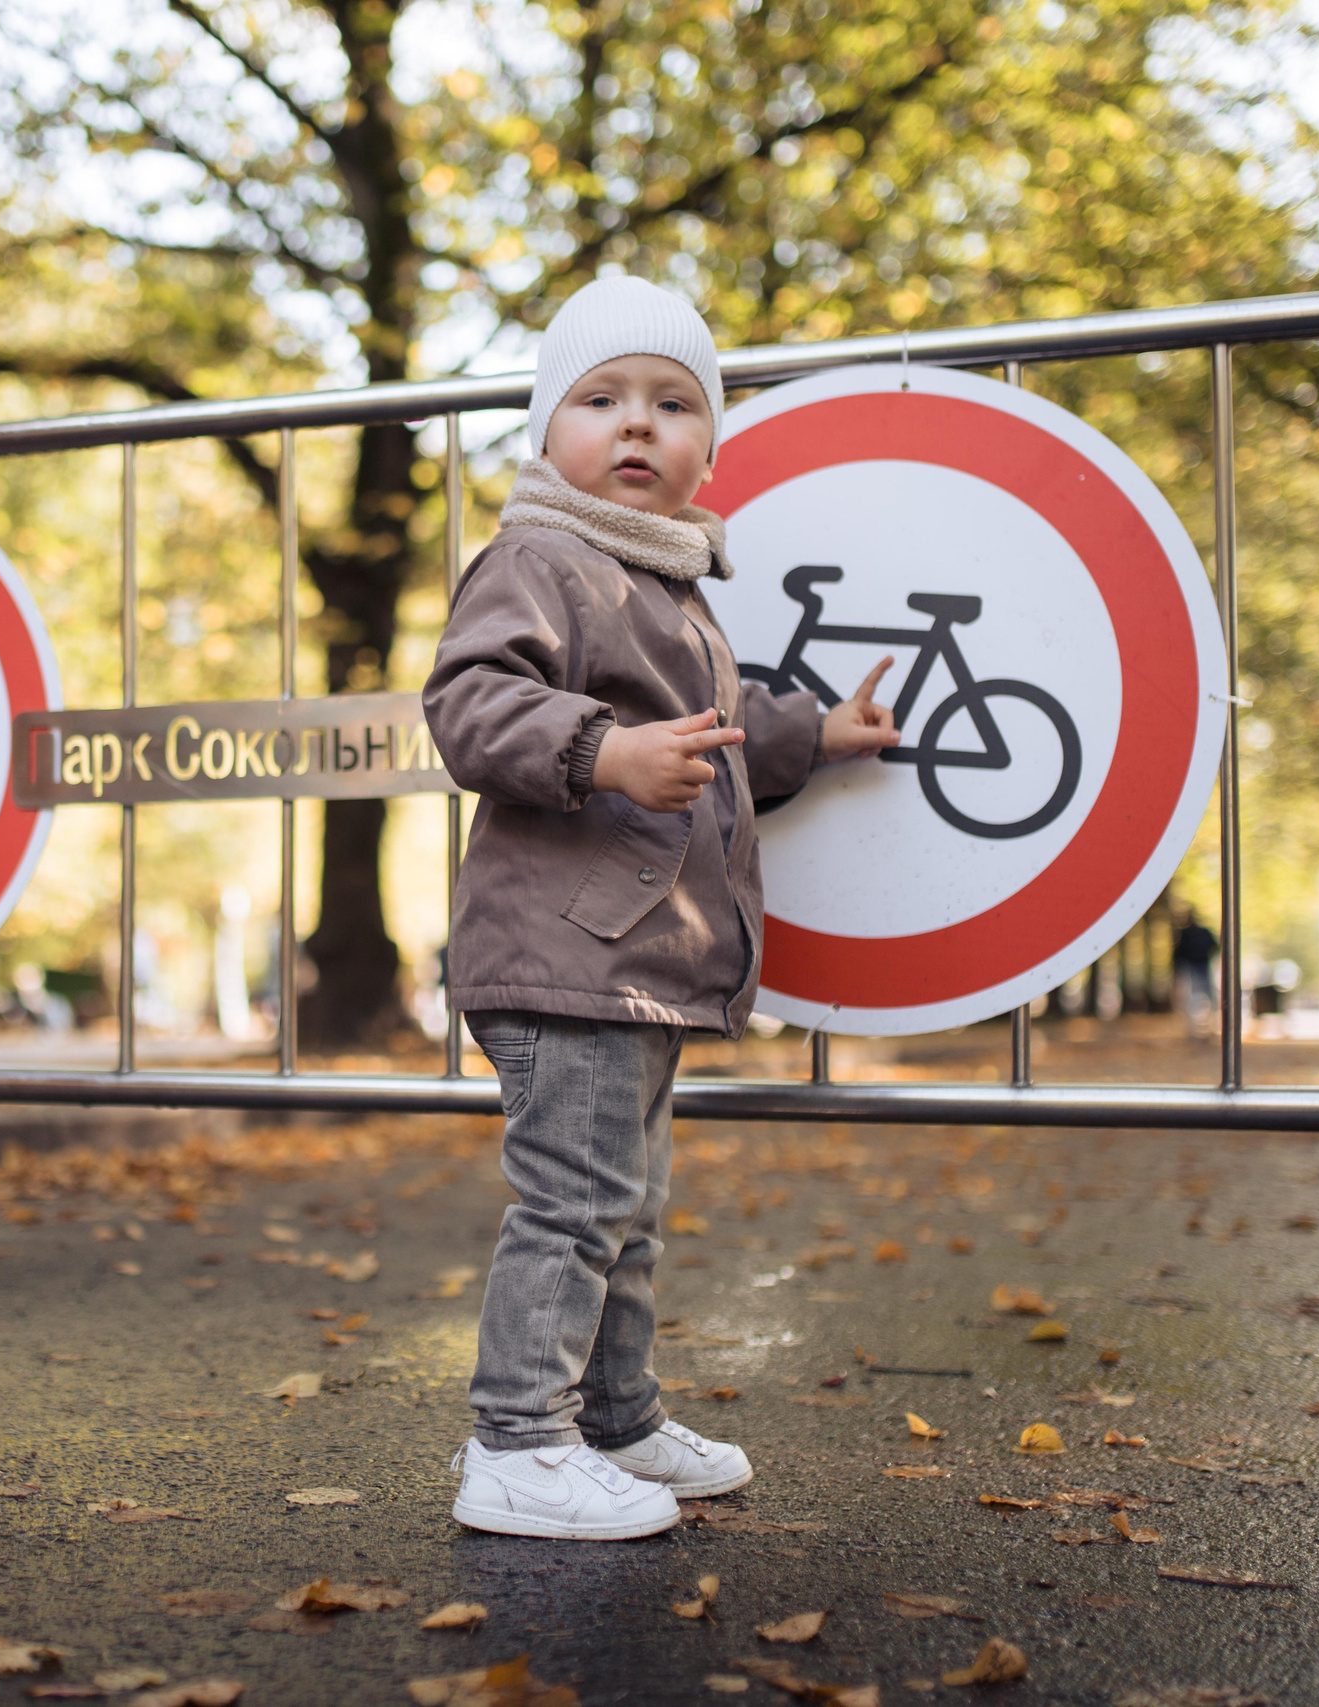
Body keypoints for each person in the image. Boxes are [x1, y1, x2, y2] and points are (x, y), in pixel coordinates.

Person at [422, 276, 902, 1541]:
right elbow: (469, 704)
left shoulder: (666, 584)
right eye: (600, 399)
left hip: (630, 964)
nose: (637, 424)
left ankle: (614, 1420)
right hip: (564, 955)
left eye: (674, 405)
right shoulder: (540, 558)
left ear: (709, 451)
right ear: (546, 431)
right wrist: (602, 750)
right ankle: (516, 1444)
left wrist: (817, 734)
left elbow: (718, 734)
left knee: (625, 1212)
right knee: (577, 1204)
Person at [1172, 904, 1218, 1039]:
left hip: (1196, 968)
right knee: (1203, 999)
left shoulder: (1186, 934)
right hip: (1198, 967)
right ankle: (1205, 1028)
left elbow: (1178, 954)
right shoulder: (1200, 932)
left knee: (1195, 999)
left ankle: (1200, 1029)